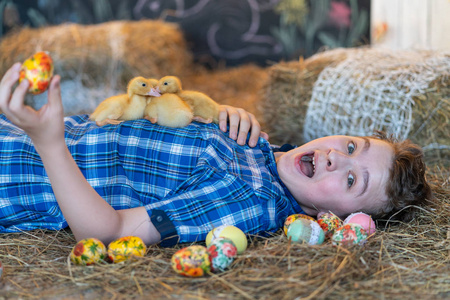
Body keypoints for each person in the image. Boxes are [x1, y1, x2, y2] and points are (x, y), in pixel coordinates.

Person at [0, 63, 432, 246]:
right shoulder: (259, 145)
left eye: (354, 181)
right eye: (353, 145)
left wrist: (48, 140)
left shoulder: (252, 203)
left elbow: (110, 233)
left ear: (331, 220)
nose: (340, 157)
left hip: (17, 173)